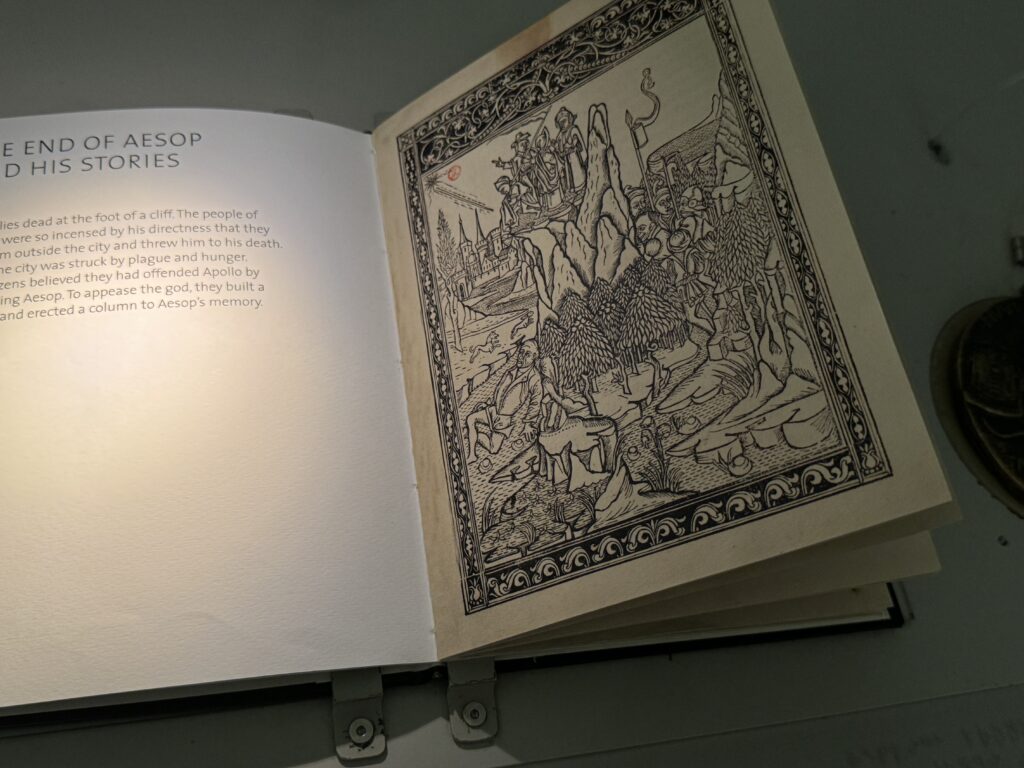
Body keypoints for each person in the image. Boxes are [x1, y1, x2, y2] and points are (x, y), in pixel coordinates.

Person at [466, 339, 543, 463]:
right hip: (493, 410)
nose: (522, 356)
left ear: (534, 357)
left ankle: (474, 436)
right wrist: (488, 403)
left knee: (493, 449)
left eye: (527, 354)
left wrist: (529, 423)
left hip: (504, 420)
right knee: (471, 419)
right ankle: (472, 455)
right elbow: (499, 390)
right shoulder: (511, 370)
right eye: (521, 352)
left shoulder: (534, 378)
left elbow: (535, 402)